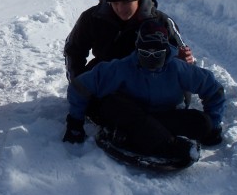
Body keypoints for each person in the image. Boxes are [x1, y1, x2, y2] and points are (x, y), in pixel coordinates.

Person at [63, 19, 226, 164]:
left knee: (203, 124)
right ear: (137, 50)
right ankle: (169, 145)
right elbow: (80, 86)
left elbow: (213, 88)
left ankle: (138, 136)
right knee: (112, 105)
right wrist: (75, 122)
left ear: (167, 50)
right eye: (145, 53)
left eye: (158, 54)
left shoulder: (178, 68)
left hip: (164, 116)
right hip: (131, 115)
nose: (151, 58)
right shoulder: (122, 67)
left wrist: (214, 120)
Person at [64, 0, 195, 83]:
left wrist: (186, 62)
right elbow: (73, 50)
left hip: (148, 80)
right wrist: (77, 83)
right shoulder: (92, 18)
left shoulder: (160, 21)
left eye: (126, 2)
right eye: (115, 3)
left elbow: (183, 58)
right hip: (106, 76)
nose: (120, 8)